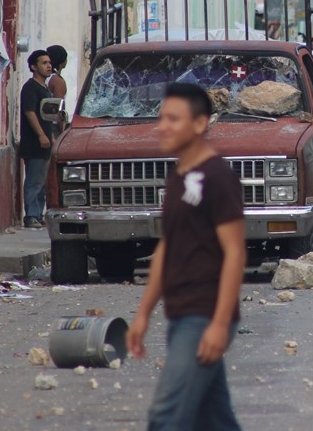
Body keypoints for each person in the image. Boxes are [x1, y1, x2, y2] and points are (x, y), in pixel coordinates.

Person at [127, 82, 246, 430]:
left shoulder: (217, 176)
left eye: (173, 119)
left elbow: (235, 252)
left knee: (167, 417)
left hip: (204, 316)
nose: (162, 126)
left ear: (200, 124)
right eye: (161, 117)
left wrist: (220, 323)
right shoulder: (180, 174)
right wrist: (143, 314)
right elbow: (168, 246)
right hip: (180, 313)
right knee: (215, 419)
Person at [18, 50, 54, 228]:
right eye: (44, 63)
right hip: (35, 142)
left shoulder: (45, 88)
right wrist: (41, 135)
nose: (48, 66)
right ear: (33, 67)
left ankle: (38, 213)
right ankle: (31, 215)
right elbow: (29, 112)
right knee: (34, 180)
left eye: (49, 63)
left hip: (46, 142)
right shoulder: (31, 88)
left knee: (42, 181)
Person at [46, 45, 69, 132]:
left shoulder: (46, 77)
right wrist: (62, 130)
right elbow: (59, 108)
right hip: (54, 127)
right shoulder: (57, 81)